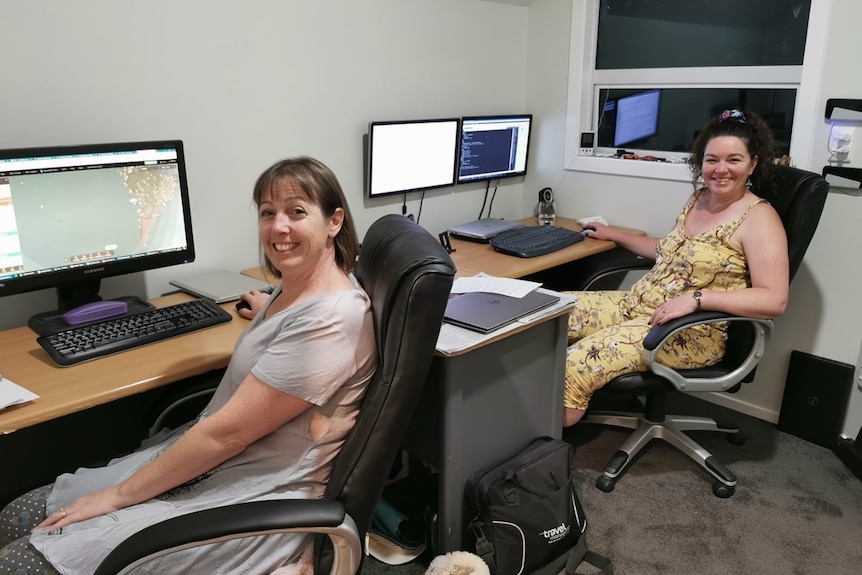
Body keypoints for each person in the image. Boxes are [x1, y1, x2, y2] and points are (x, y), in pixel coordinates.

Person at [0, 156, 377, 574]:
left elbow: (227, 436)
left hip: (248, 497)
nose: (278, 227)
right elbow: (298, 342)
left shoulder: (330, 321)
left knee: (18, 563)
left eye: (297, 212)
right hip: (218, 466)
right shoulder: (299, 290)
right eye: (268, 212)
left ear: (334, 221)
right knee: (16, 513)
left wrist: (117, 496)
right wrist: (268, 309)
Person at [562, 109, 788, 427]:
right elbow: (669, 251)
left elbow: (773, 299)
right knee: (550, 315)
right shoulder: (699, 198)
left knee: (576, 364)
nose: (720, 170)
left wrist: (697, 299)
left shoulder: (759, 218)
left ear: (753, 163)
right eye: (712, 160)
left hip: (688, 332)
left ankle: (538, 447)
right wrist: (614, 235)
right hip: (636, 306)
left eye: (734, 160)